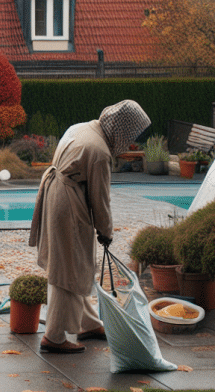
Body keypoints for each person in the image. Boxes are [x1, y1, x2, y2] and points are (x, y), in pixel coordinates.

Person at [29, 99, 151, 354]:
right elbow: (100, 198)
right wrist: (106, 232)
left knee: (73, 264)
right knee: (68, 270)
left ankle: (88, 323)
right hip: (68, 203)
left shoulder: (81, 128)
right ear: (122, 130)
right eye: (130, 135)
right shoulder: (99, 151)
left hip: (58, 195)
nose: (130, 141)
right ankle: (54, 336)